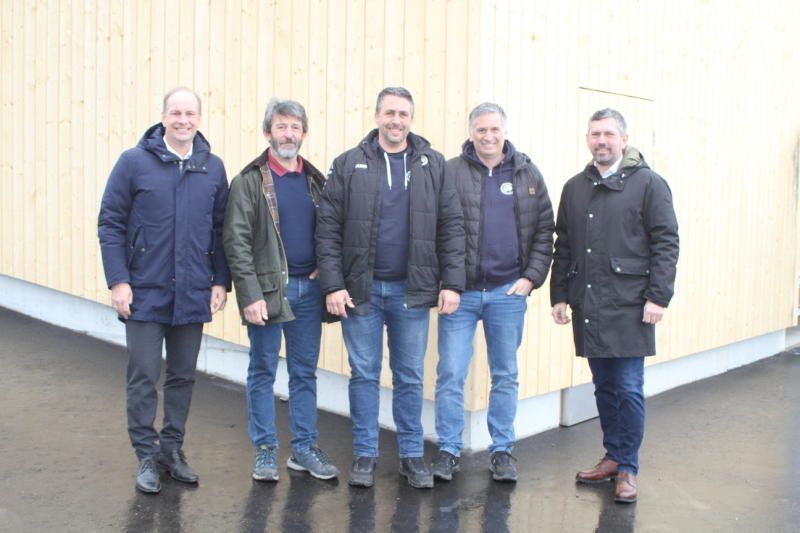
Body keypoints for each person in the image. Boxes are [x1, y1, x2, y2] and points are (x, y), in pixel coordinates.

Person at [316, 87, 465, 489]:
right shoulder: (349, 163)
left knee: (410, 377)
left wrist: (453, 283)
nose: (396, 120)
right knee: (364, 374)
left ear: (411, 119)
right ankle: (365, 454)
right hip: (360, 291)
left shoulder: (433, 164)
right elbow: (327, 229)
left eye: (403, 114)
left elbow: (452, 227)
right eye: (390, 113)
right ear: (377, 116)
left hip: (411, 292)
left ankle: (411, 455)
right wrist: (333, 284)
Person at [98, 87, 231, 494]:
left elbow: (221, 229)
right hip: (144, 290)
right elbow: (111, 222)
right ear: (163, 117)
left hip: (192, 291)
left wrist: (220, 280)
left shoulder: (212, 167)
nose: (183, 120)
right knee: (143, 375)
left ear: (199, 119)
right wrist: (118, 280)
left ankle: (171, 449)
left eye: (190, 113)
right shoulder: (133, 162)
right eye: (176, 113)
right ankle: (146, 455)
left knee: (183, 376)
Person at [550, 108, 679, 503]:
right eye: (595, 134)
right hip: (589, 302)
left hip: (630, 304)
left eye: (608, 134)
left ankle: (628, 468)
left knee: (628, 388)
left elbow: (666, 242)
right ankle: (612, 456)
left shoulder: (649, 185)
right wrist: (559, 294)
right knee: (604, 386)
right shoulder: (575, 187)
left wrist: (658, 295)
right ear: (588, 139)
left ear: (624, 139)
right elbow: (564, 245)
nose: (601, 141)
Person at [431, 102, 554, 483]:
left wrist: (531, 278)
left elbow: (544, 230)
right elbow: (432, 229)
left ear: (505, 131)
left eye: (494, 129)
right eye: (481, 130)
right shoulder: (450, 171)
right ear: (471, 132)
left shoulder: (526, 172)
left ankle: (502, 450)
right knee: (451, 374)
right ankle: (448, 449)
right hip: (460, 294)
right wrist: (444, 283)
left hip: (507, 293)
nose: (488, 136)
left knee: (505, 374)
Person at [223, 98, 339, 482]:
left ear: (303, 133)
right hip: (270, 293)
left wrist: (327, 267)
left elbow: (331, 231)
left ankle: (303, 448)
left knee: (304, 373)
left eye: (295, 127)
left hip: (309, 292)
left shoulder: (315, 181)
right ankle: (265, 450)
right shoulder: (249, 182)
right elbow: (236, 242)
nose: (288, 134)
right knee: (263, 370)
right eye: (281, 126)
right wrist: (250, 295)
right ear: (267, 132)